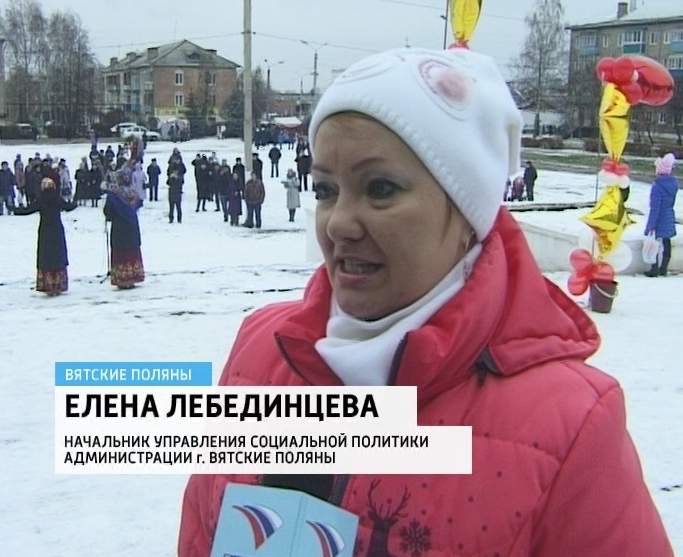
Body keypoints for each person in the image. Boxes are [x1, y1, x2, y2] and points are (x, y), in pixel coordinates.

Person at [178, 45, 673, 557]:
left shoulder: (570, 424)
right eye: (326, 189)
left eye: (380, 188)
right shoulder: (261, 350)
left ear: (467, 214)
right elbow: (199, 533)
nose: (339, 222)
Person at [14, 175, 77, 295]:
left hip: (45, 231)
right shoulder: (57, 198)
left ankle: (48, 285)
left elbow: (28, 210)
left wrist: (15, 209)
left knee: (46, 256)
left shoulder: (41, 199)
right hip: (57, 230)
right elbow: (69, 207)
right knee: (58, 255)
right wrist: (75, 201)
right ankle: (58, 284)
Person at [102, 140, 145, 289]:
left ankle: (122, 279)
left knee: (121, 253)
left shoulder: (113, 195)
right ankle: (132, 277)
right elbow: (139, 203)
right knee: (131, 252)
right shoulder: (133, 193)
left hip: (119, 231)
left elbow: (108, 212)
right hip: (132, 228)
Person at [644, 153, 678, 277]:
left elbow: (655, 208)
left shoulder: (657, 186)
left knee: (655, 243)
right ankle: (663, 268)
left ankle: (654, 269)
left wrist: (650, 226)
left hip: (659, 218)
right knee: (666, 241)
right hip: (669, 215)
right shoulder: (674, 184)